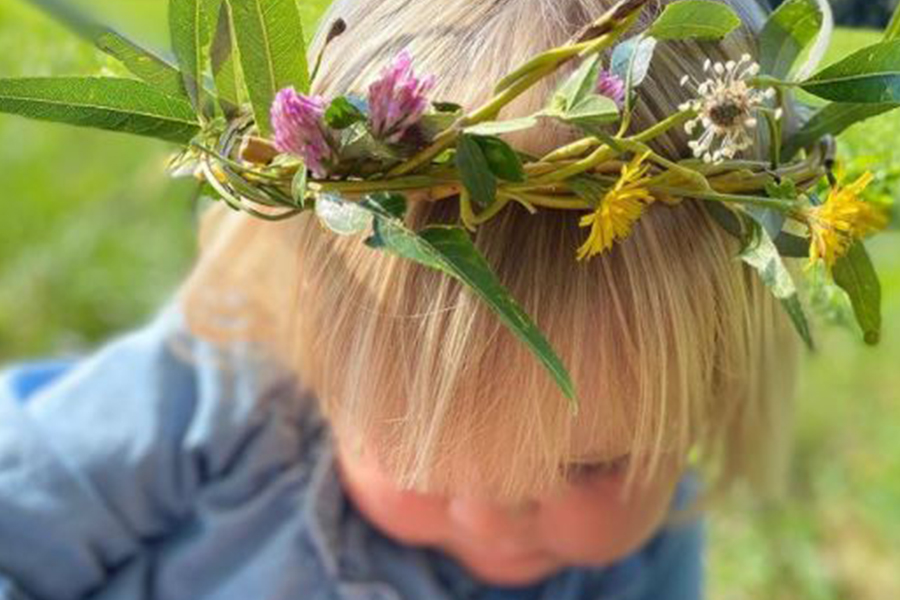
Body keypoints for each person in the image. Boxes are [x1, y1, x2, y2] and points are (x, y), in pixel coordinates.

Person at [0, 0, 800, 598]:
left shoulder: (644, 555)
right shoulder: (213, 398)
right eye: (421, 449)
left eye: (592, 466)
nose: (495, 521)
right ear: (307, 315)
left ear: (717, 387)